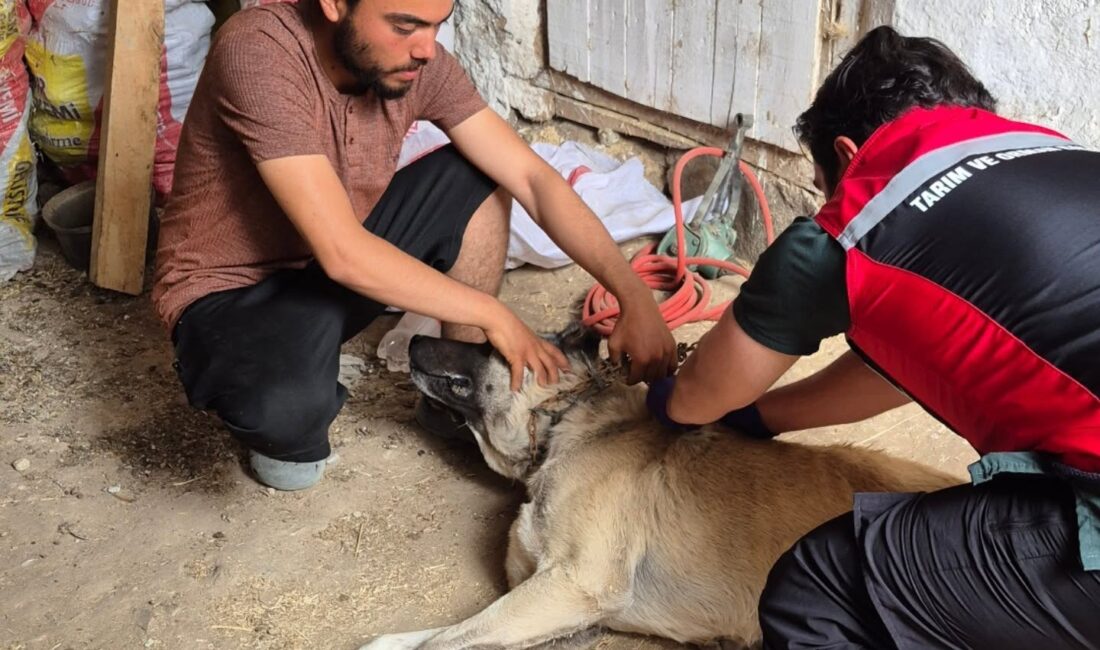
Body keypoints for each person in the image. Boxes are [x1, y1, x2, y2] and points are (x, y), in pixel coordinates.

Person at [647, 26, 1100, 649]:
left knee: (820, 590)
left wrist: (668, 397)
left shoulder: (860, 214)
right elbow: (904, 362)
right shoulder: (1053, 153)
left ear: (846, 153)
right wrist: (763, 417)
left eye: (821, 180)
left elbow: (696, 400)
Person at [153, 0, 676, 492]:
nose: (426, 47)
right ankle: (276, 393)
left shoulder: (419, 64)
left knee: (478, 168)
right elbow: (342, 251)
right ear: (335, 4)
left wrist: (633, 296)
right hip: (230, 290)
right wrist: (494, 314)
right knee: (287, 420)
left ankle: (456, 390)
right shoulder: (259, 49)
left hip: (333, 261)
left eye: (437, 24)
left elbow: (533, 179)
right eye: (405, 26)